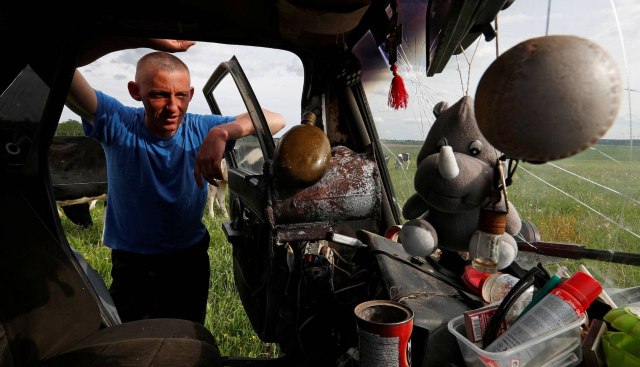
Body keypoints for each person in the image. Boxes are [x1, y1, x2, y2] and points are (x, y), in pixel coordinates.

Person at [65, 38, 286, 324]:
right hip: (133, 263)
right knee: (131, 342)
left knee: (185, 337)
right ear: (136, 92)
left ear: (191, 94)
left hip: (188, 262)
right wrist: (140, 35)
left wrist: (222, 133)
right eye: (159, 95)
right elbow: (62, 70)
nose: (172, 107)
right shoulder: (117, 122)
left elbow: (275, 119)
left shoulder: (202, 127)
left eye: (181, 95)